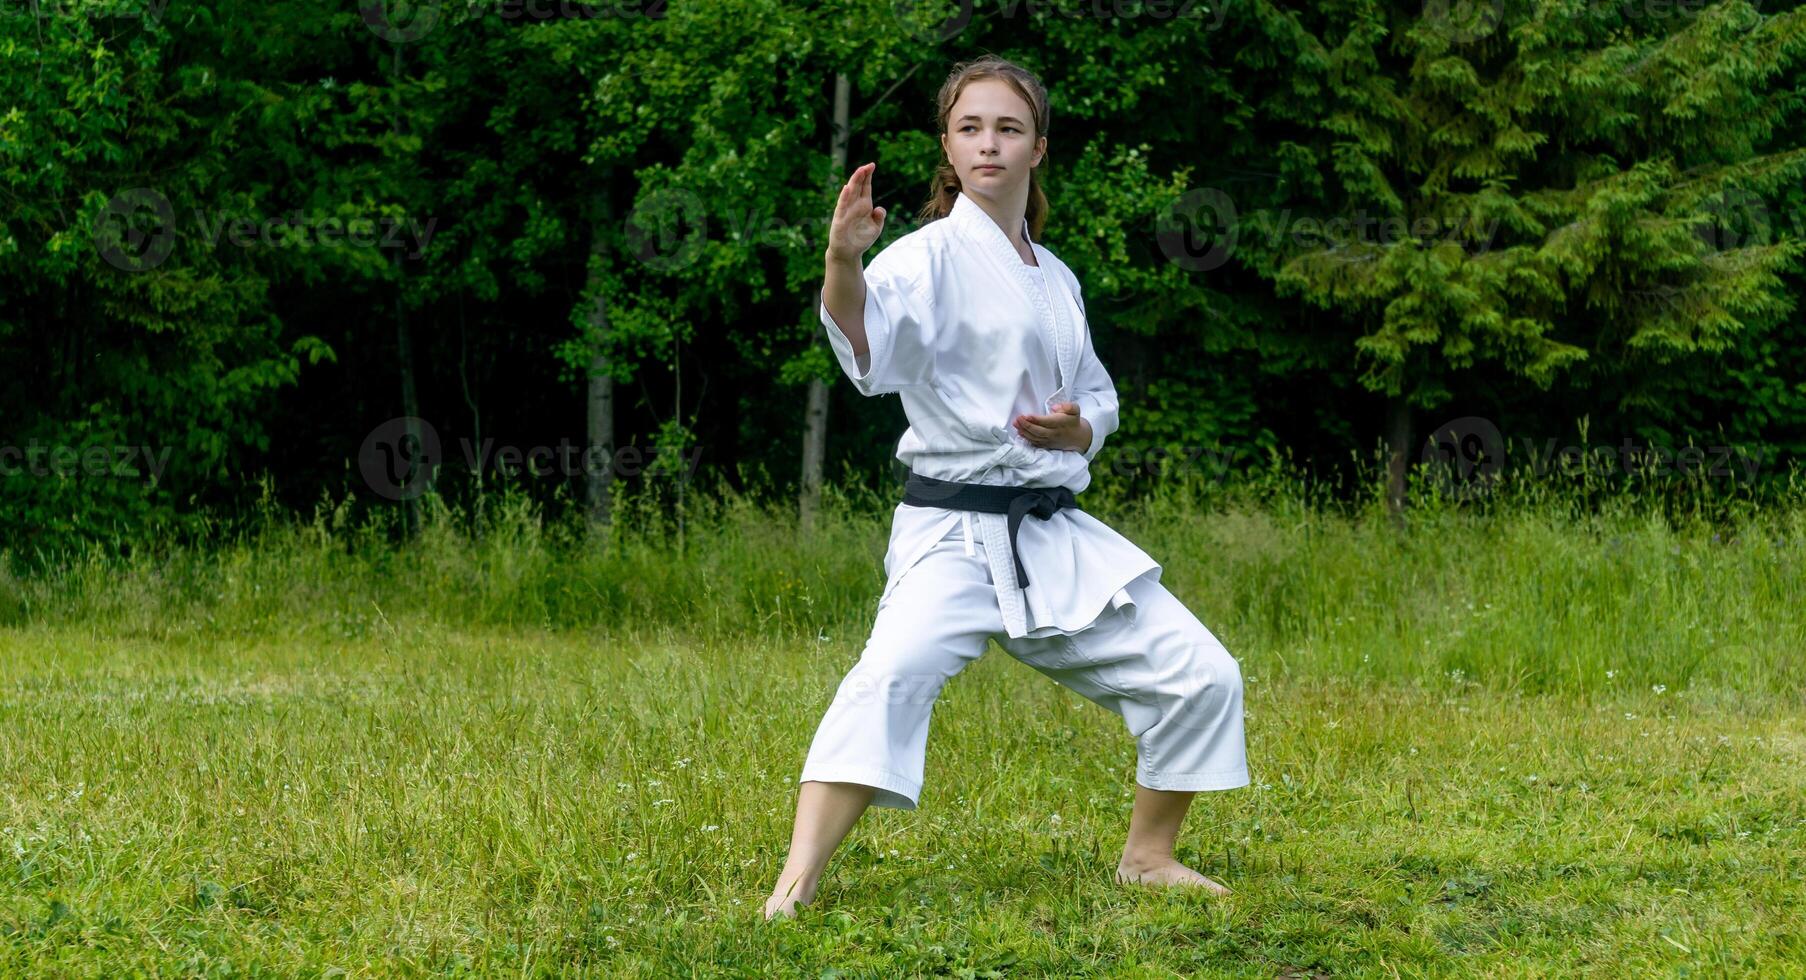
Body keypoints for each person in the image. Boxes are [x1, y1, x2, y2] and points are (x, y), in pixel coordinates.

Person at [764, 56, 1249, 921]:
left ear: (1038, 149)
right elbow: (868, 345)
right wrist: (843, 262)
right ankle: (793, 887)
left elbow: (1097, 392)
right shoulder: (927, 257)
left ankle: (1148, 857)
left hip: (1048, 532)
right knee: (890, 676)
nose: (989, 142)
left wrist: (1081, 429)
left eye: (1008, 128)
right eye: (971, 128)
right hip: (951, 531)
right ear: (948, 149)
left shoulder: (1054, 276)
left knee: (1203, 673)